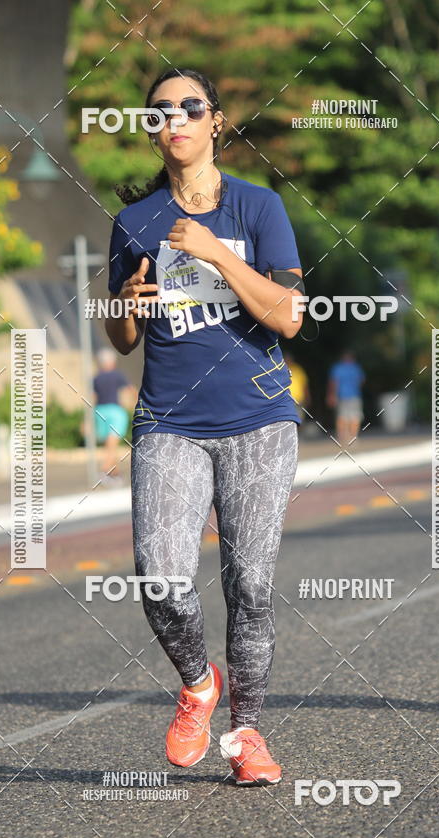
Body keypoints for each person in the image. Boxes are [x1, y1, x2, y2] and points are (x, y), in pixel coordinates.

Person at [105, 68, 305, 786]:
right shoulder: (134, 224)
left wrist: (219, 253)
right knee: (160, 578)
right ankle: (197, 683)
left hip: (258, 421)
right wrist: (127, 300)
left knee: (250, 586)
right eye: (162, 111)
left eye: (192, 107)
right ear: (153, 127)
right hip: (169, 422)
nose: (177, 118)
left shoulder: (259, 208)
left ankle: (247, 734)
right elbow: (123, 341)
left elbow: (288, 315)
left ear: (216, 121)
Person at [92, 347, 133, 484]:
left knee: (109, 445)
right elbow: (130, 390)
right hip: (115, 411)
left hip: (100, 411)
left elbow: (94, 398)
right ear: (112, 362)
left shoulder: (96, 378)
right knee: (113, 443)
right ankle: (105, 469)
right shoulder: (117, 375)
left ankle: (115, 473)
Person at [327, 351, 365, 445]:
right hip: (354, 395)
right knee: (355, 416)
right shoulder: (355, 367)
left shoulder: (338, 368)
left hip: (342, 396)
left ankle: (342, 437)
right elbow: (361, 380)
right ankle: (353, 437)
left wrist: (332, 395)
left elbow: (333, 383)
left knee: (342, 416)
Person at [284, 352, 310, 423]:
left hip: (299, 401)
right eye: (286, 359)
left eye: (289, 359)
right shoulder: (281, 370)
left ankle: (298, 434)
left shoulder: (298, 369)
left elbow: (304, 384)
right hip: (286, 400)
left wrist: (307, 397)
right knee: (288, 420)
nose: (288, 361)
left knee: (299, 419)